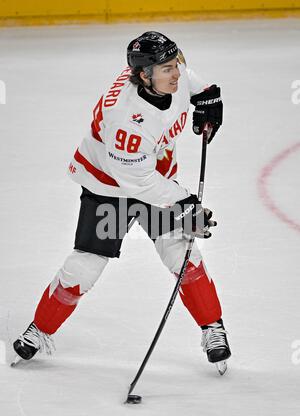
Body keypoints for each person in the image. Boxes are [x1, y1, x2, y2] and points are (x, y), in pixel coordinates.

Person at [12, 31, 231, 371]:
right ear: (145, 76)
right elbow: (140, 184)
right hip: (110, 190)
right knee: (86, 264)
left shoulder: (168, 79)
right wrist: (186, 205)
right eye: (167, 68)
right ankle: (39, 330)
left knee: (181, 251)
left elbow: (191, 82)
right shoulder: (126, 119)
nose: (177, 73)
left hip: (152, 179)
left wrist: (207, 101)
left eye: (176, 64)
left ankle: (213, 328)